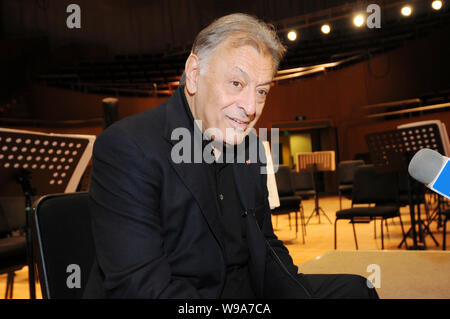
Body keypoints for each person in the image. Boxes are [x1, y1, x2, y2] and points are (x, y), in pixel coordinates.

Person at [84, 13, 378, 299]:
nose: (251, 107)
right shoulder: (128, 146)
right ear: (195, 74)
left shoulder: (249, 147)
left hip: (245, 291)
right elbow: (141, 288)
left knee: (357, 290)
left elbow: (266, 247)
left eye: (261, 91)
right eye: (236, 84)